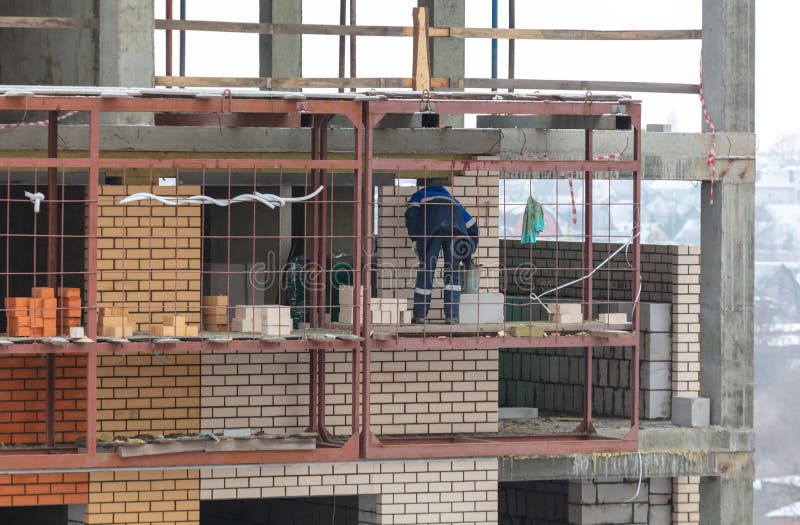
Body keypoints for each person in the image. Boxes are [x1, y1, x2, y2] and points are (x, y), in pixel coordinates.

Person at [405, 184, 479, 323]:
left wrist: (415, 239)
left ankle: (420, 316)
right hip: (455, 233)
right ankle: (452, 317)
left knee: (427, 270)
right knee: (453, 273)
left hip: (432, 231)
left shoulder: (419, 196)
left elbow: (412, 216)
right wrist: (471, 247)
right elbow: (472, 226)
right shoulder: (452, 200)